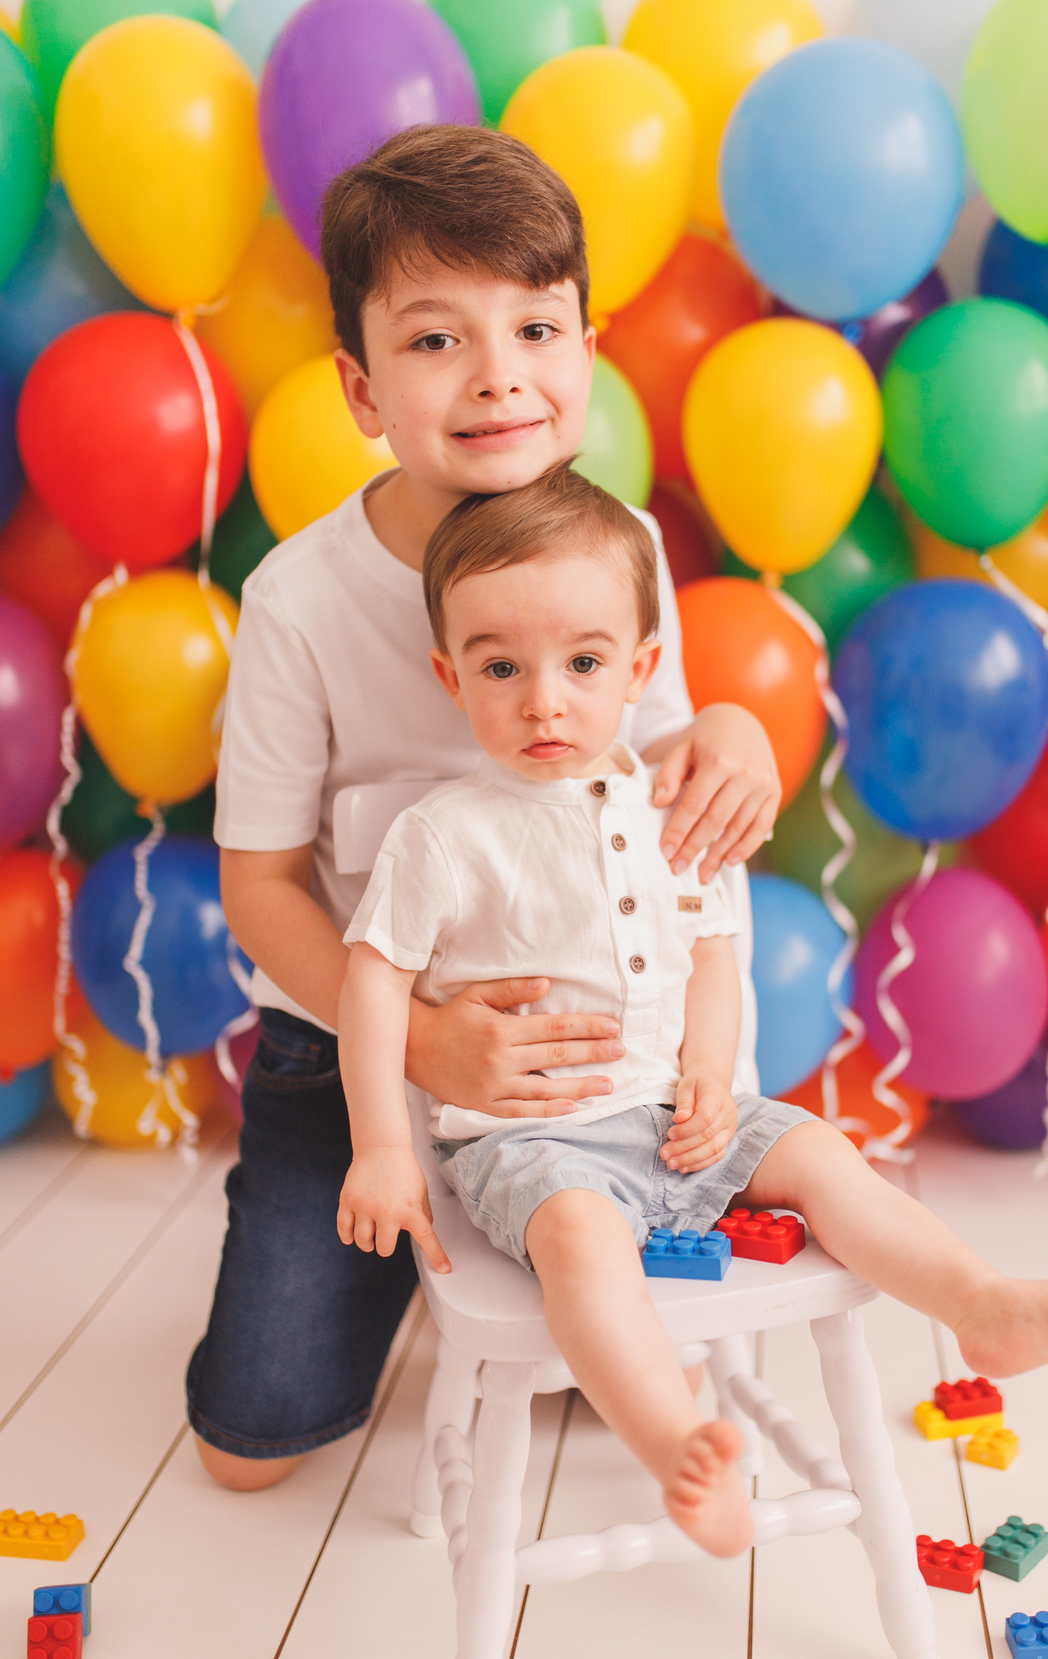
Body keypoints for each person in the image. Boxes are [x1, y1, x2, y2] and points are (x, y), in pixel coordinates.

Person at [337, 465, 1048, 1559]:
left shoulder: (674, 807)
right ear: (452, 676)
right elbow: (372, 981)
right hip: (534, 1137)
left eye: (582, 664)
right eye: (502, 666)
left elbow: (713, 956)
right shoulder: (447, 833)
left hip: (682, 1116)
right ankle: (677, 1439)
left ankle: (985, 1306)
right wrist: (382, 1148)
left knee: (823, 1157)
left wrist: (711, 1075)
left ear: (640, 670)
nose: (544, 699)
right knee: (583, 1242)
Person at [190, 126, 782, 1490]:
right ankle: (397, 1253)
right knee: (252, 1446)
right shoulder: (300, 597)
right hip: (356, 1052)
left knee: (600, 1371)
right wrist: (419, 1054)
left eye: (534, 326)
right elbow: (262, 883)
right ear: (361, 387)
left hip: (592, 1069)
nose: (499, 373)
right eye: (437, 339)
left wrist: (730, 727)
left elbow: (656, 769)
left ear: (587, 351)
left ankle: (520, 1246)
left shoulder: (621, 547)